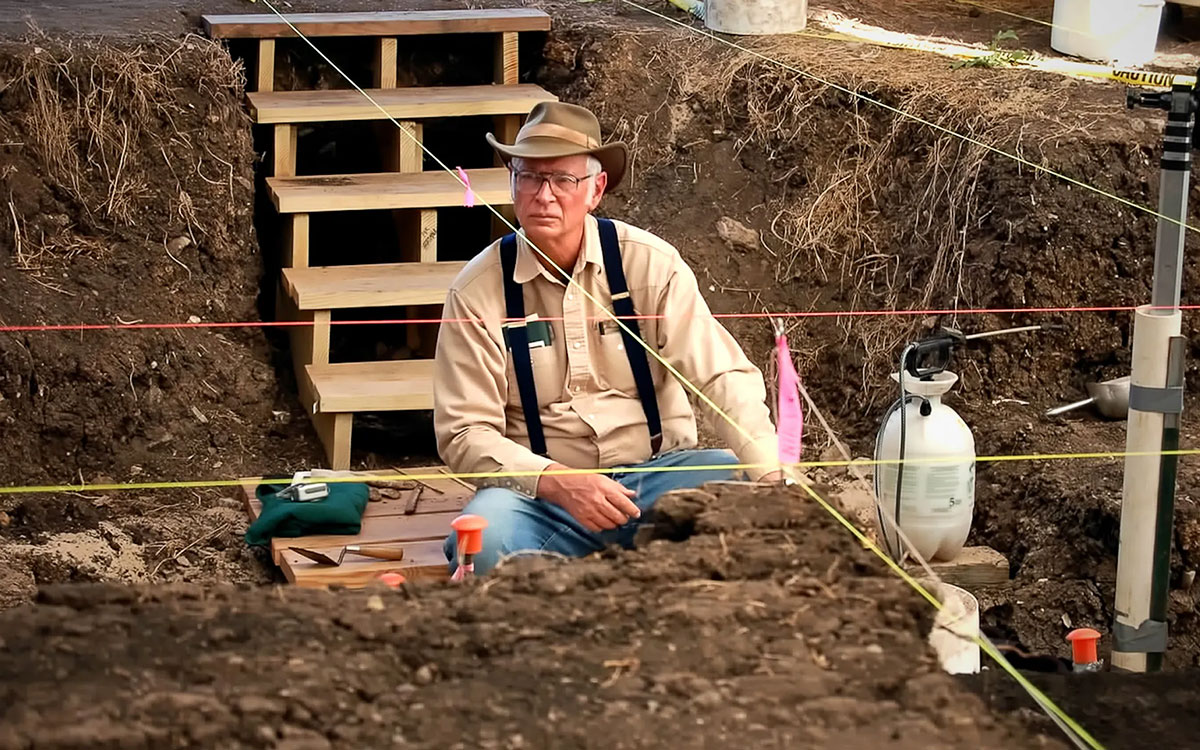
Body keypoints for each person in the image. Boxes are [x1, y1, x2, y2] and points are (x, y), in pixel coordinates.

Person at [435, 101, 780, 575]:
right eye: (529, 177)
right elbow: (464, 433)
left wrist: (771, 474)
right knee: (484, 533)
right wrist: (557, 482)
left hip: (658, 481)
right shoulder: (477, 292)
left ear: (596, 190)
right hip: (544, 501)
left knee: (744, 489)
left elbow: (722, 376)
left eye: (562, 180)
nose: (543, 195)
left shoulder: (650, 265)